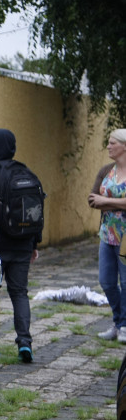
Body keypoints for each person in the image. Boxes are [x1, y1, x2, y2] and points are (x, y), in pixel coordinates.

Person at [0, 128, 39, 363]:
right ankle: (24, 342)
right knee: (19, 293)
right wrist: (34, 243)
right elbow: (36, 210)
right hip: (23, 244)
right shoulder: (26, 171)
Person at [88, 129, 126, 342]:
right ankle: (119, 321)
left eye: (113, 143)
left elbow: (101, 201)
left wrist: (107, 202)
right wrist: (115, 203)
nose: (109, 146)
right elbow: (92, 199)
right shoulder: (106, 170)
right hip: (107, 234)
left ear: (124, 146)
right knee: (107, 281)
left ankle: (123, 325)